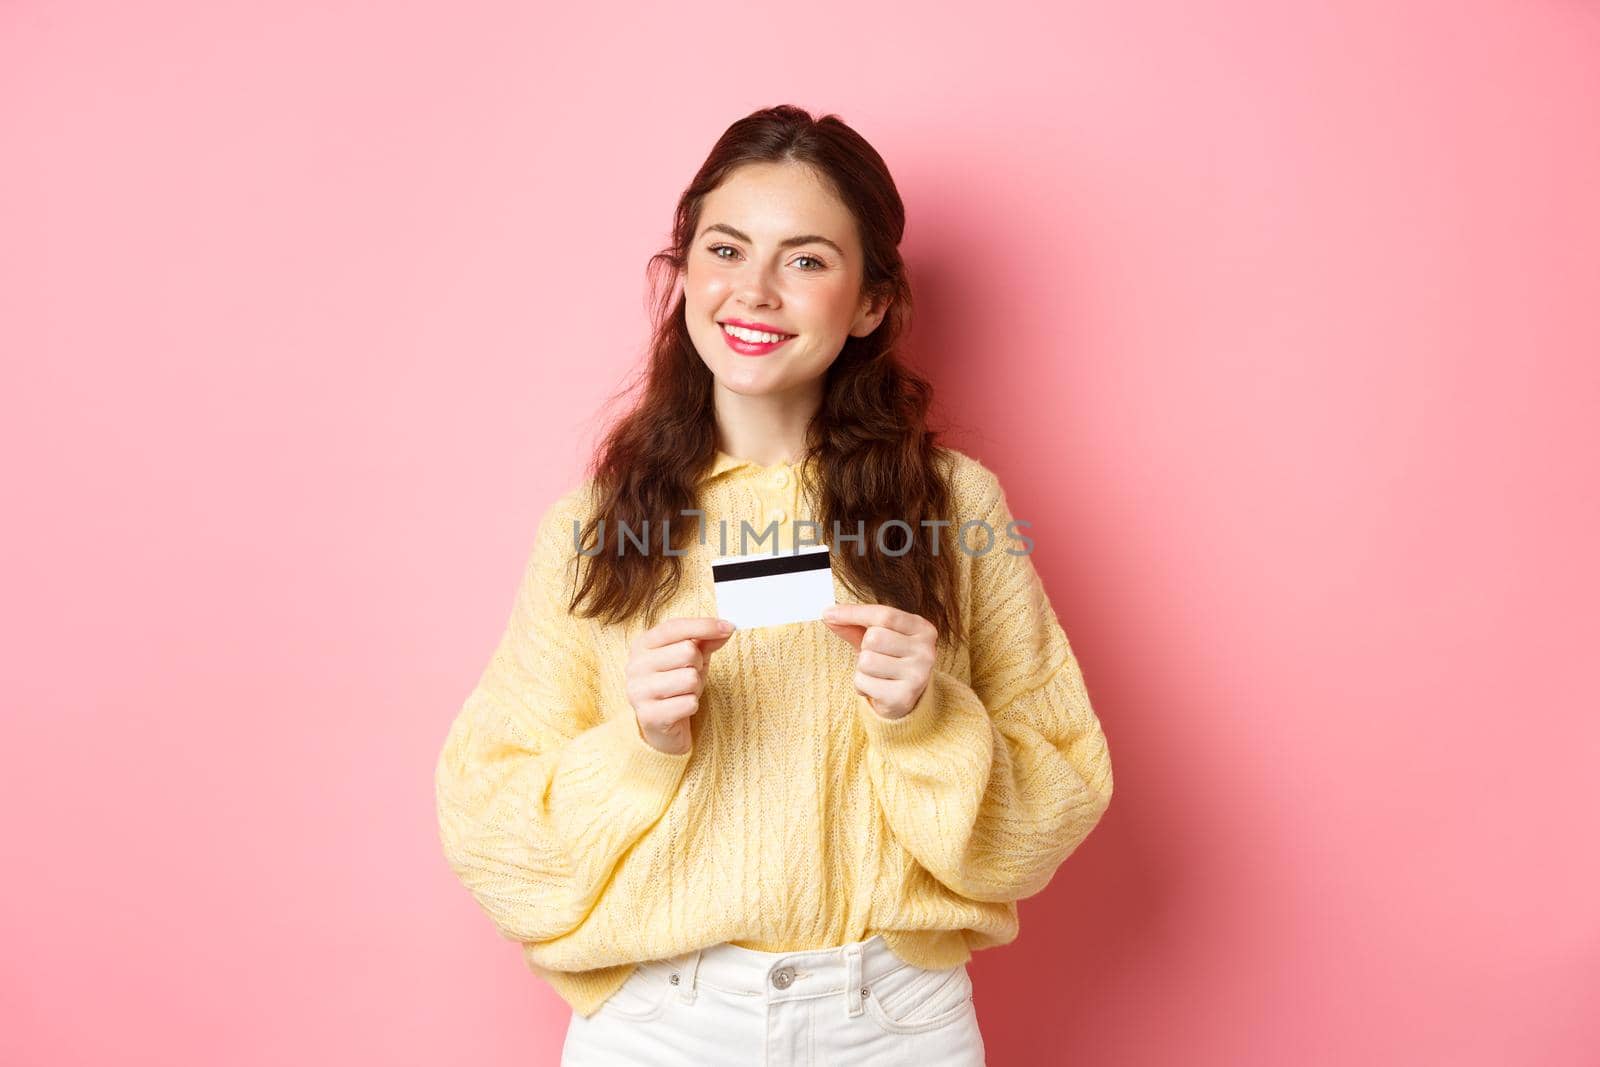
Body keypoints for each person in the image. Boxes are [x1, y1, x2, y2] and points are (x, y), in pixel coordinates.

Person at [433, 104, 1115, 1067]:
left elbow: (1062, 793)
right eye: (725, 249)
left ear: (872, 303)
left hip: (893, 1023)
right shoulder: (594, 526)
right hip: (661, 1025)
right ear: (683, 274)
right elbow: (489, 827)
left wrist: (930, 718)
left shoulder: (956, 509)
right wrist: (641, 747)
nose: (753, 292)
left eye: (805, 260)